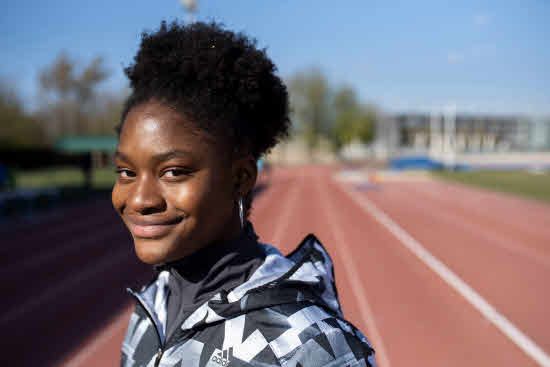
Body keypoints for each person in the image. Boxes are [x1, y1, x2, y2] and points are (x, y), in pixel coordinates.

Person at [113, 20, 376, 367]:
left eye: (173, 172)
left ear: (240, 178)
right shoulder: (151, 309)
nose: (139, 199)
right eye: (127, 173)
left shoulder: (309, 347)